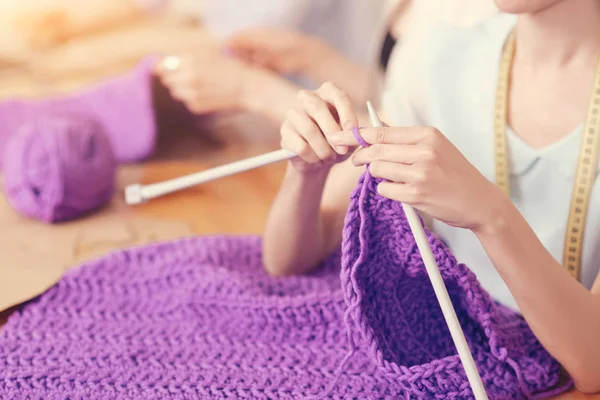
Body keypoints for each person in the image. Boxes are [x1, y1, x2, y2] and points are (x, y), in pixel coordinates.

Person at [262, 0, 600, 394]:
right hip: (445, 348)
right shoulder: (435, 59)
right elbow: (288, 259)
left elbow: (594, 367)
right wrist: (305, 172)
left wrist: (490, 215)